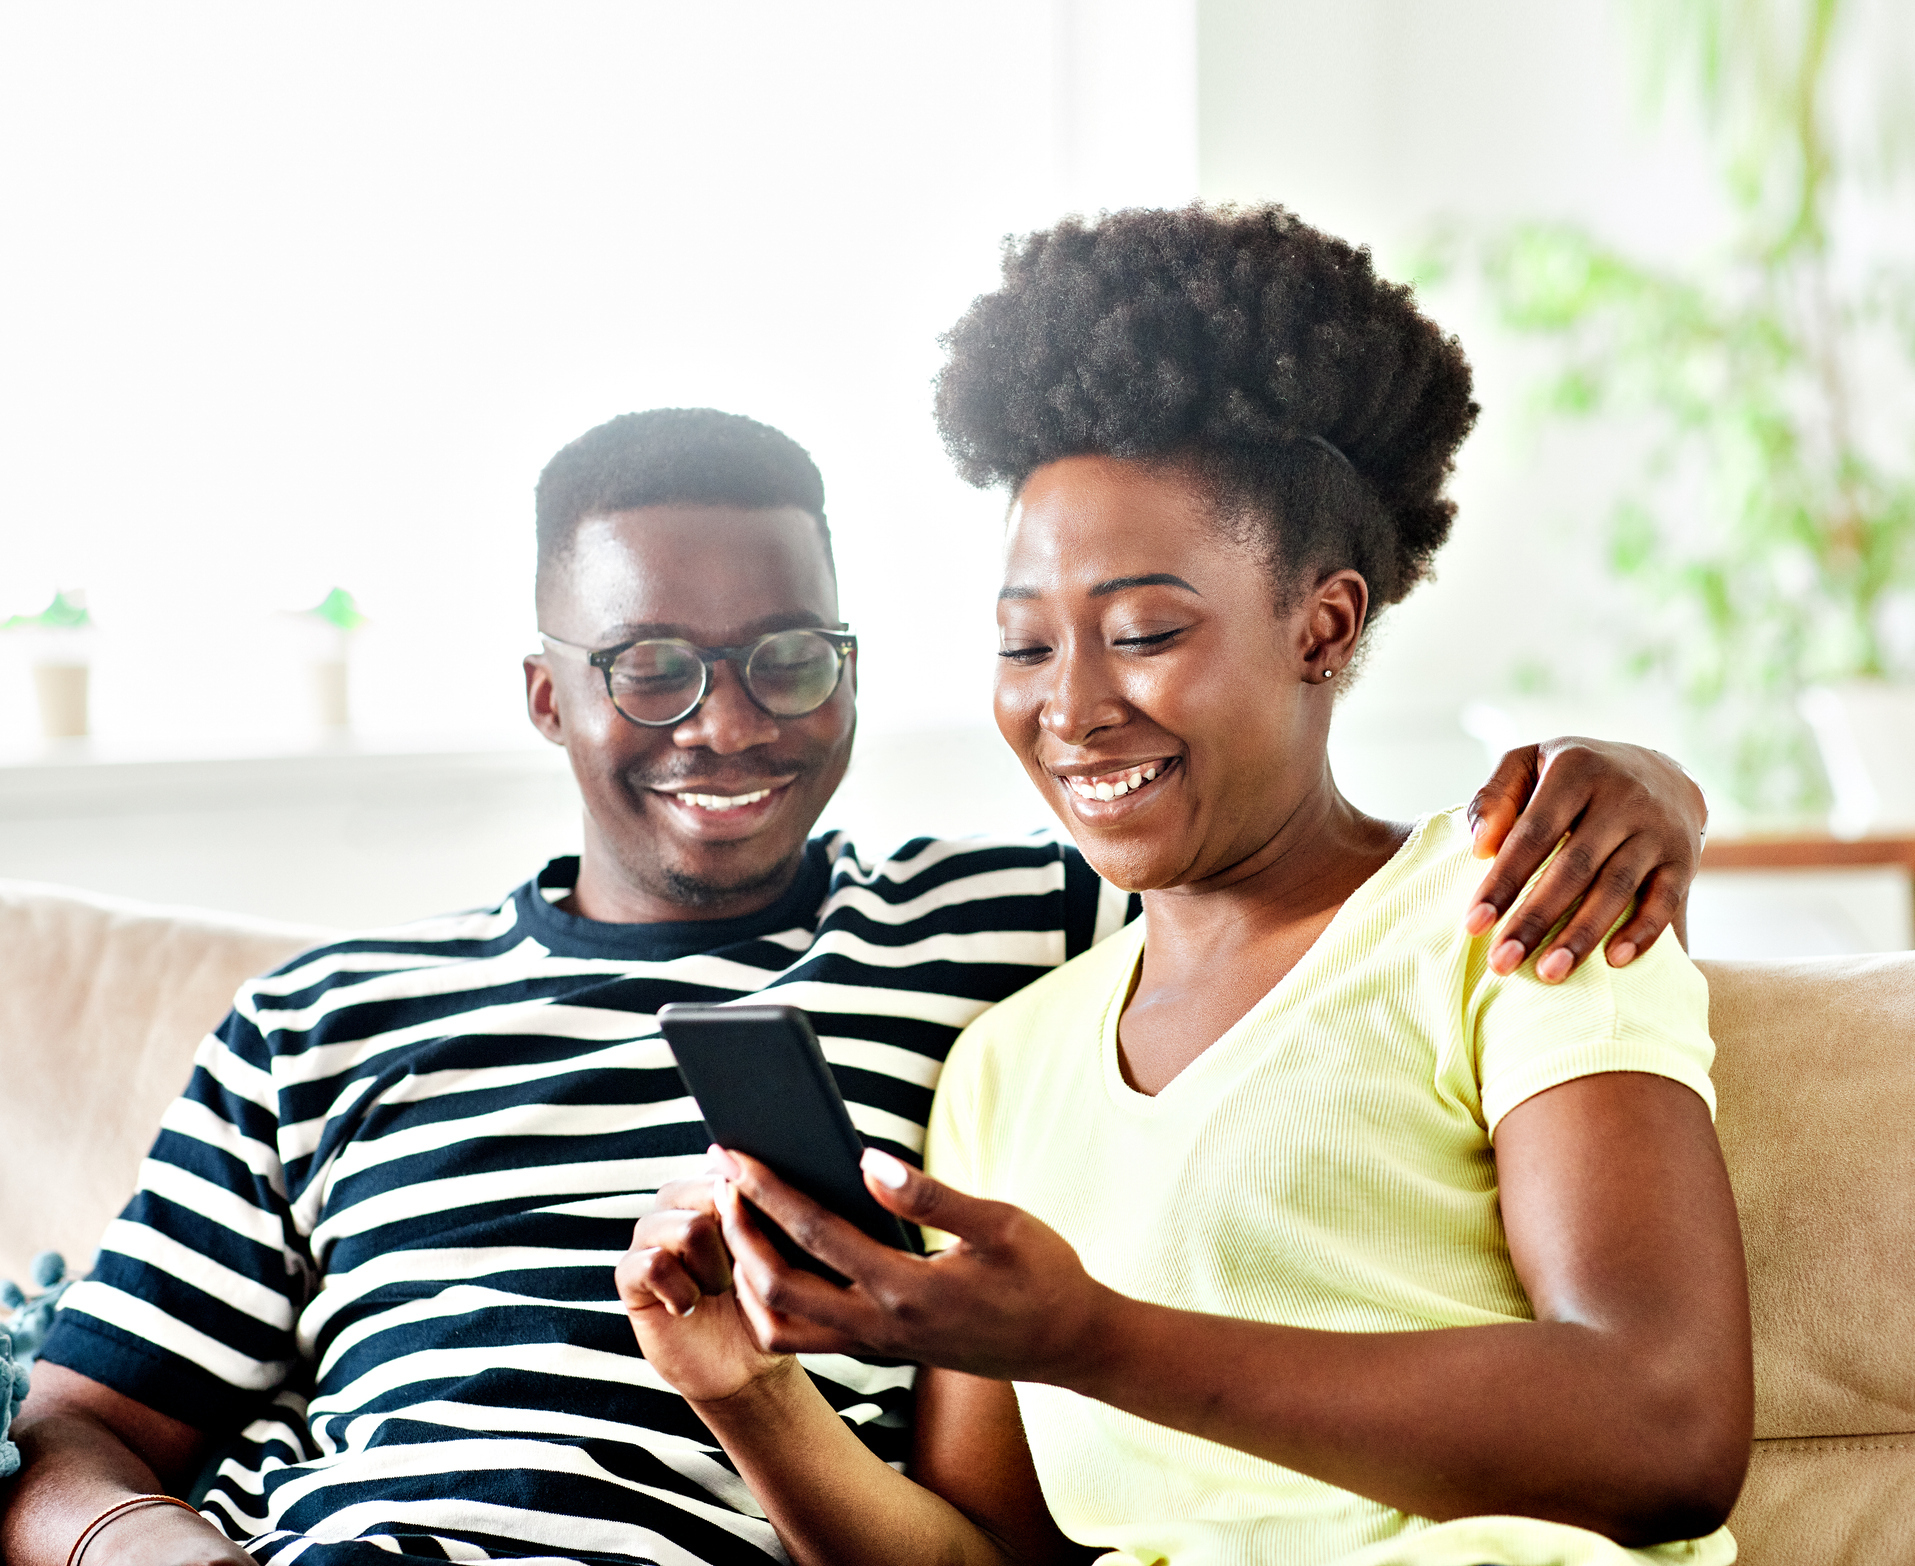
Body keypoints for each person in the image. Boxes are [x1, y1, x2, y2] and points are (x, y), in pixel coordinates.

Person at [2, 405, 1708, 1566]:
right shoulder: (328, 1013)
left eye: (787, 659)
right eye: (650, 666)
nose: (728, 722)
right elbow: (74, 1432)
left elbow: (1291, 885)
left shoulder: (1019, 935)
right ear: (543, 695)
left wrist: (1644, 781)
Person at [617, 208, 1751, 1566]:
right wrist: (752, 1399)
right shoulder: (1007, 1062)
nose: (1074, 708)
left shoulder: (1525, 900)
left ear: (1322, 626)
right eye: (1026, 646)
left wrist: (1091, 1338)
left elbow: (1666, 1428)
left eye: (1146, 631)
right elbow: (987, 1554)